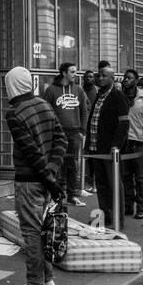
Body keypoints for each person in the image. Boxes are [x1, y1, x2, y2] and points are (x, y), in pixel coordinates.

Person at [3, 66, 66, 285]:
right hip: (48, 180)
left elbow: (29, 150)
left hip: (29, 181)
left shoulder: (14, 112)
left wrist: (46, 176)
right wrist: (51, 173)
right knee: (44, 232)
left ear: (11, 85)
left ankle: (35, 284)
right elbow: (61, 139)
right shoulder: (44, 104)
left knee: (31, 232)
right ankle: (47, 279)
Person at [85, 67, 130, 229]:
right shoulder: (99, 95)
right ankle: (105, 215)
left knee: (114, 184)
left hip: (110, 149)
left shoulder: (118, 96)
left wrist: (116, 145)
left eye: (104, 76)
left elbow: (124, 123)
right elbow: (93, 120)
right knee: (102, 183)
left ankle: (118, 218)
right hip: (96, 147)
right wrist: (88, 144)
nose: (100, 78)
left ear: (112, 78)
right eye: (99, 75)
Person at [42, 62, 88, 206]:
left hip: (74, 132)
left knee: (72, 164)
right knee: (56, 164)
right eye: (73, 72)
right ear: (64, 73)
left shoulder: (79, 90)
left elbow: (84, 111)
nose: (76, 74)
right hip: (57, 132)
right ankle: (56, 196)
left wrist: (82, 130)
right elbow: (45, 111)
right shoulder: (51, 90)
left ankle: (72, 195)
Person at [123, 74, 143, 220]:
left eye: (129, 78)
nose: (126, 80)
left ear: (136, 80)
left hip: (140, 142)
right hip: (124, 142)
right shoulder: (120, 96)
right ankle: (128, 205)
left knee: (140, 177)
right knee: (125, 176)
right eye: (125, 78)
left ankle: (141, 207)